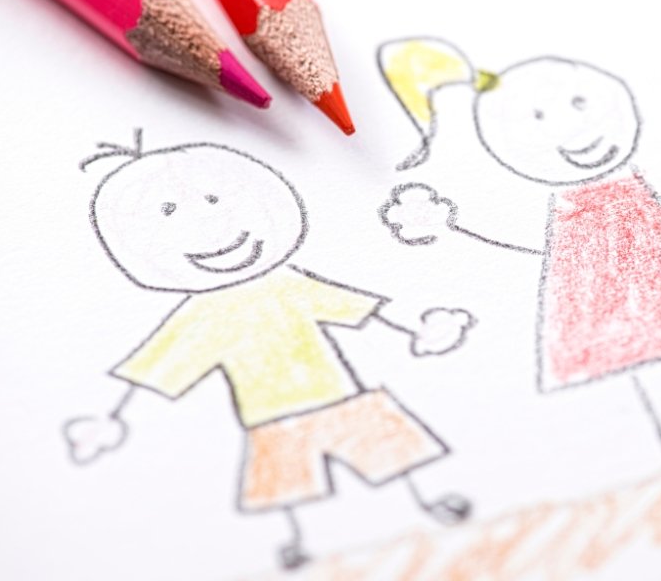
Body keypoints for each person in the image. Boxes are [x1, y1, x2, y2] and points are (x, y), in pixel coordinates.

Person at [65, 132, 475, 568]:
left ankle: (427, 500)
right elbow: (160, 367)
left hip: (338, 397)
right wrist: (112, 417)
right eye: (169, 213)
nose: (210, 225)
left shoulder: (287, 286)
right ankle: (301, 542)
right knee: (289, 486)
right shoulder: (201, 317)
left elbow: (354, 308)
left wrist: (415, 329)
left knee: (388, 450)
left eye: (214, 200)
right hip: (271, 416)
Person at [380, 39, 661, 461]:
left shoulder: (633, 189)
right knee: (635, 352)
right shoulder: (567, 214)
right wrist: (454, 228)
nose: (570, 127)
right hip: (601, 289)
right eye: (539, 117)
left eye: (579, 103)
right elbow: (544, 252)